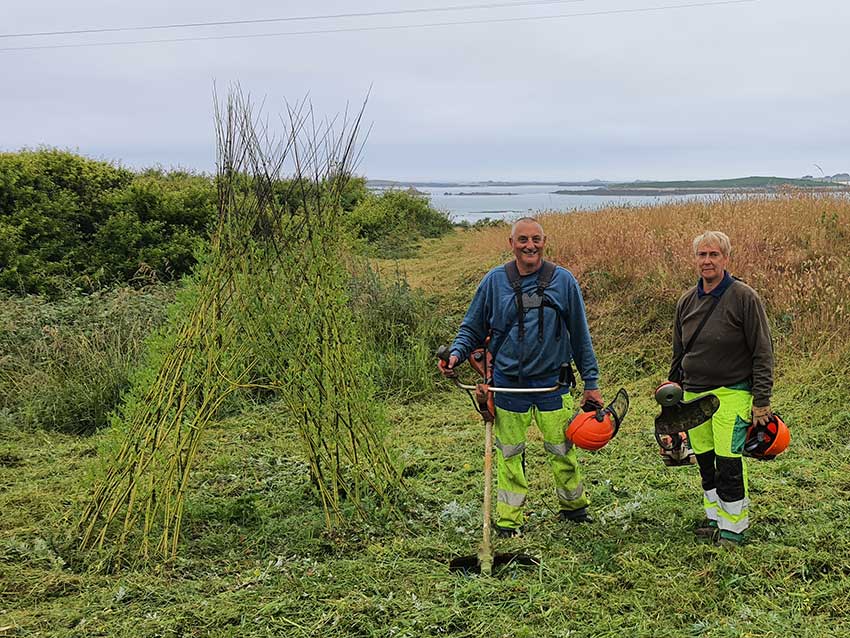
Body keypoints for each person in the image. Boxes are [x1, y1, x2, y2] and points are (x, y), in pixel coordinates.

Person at [441, 217, 603, 537]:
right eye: (523, 240)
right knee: (510, 453)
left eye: (536, 239)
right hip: (507, 385)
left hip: (552, 385)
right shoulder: (494, 282)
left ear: (545, 242)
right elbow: (471, 328)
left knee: (562, 450)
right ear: (511, 243)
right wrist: (457, 355)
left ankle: (574, 508)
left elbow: (580, 335)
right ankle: (508, 520)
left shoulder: (564, 282)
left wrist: (591, 383)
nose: (530, 246)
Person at [669, 230, 774, 547]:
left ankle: (734, 528)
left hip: (732, 393)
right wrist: (673, 396)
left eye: (714, 254)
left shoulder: (744, 297)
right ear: (695, 260)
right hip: (694, 394)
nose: (707, 260)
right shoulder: (686, 301)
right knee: (704, 459)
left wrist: (762, 401)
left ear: (726, 259)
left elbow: (762, 351)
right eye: (702, 254)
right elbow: (678, 355)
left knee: (728, 462)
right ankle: (715, 519)